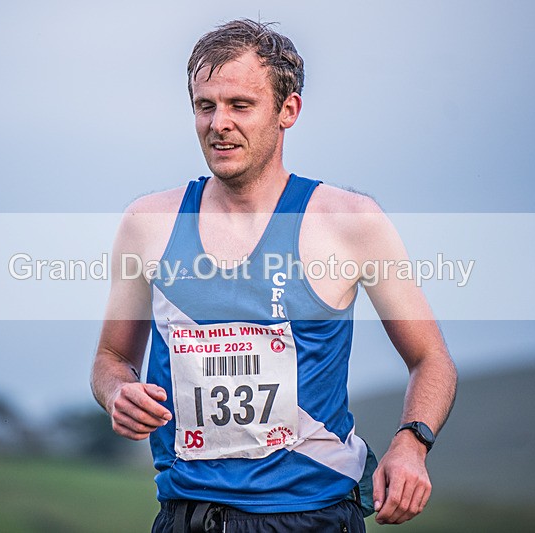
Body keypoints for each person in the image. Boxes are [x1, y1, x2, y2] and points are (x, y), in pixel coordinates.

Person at [91, 19, 457, 532]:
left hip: (311, 516)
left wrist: (411, 443)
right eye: (205, 106)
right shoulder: (148, 223)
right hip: (187, 516)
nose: (219, 123)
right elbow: (111, 360)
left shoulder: (350, 222)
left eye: (240, 105)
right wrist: (118, 394)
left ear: (288, 110)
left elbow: (431, 359)